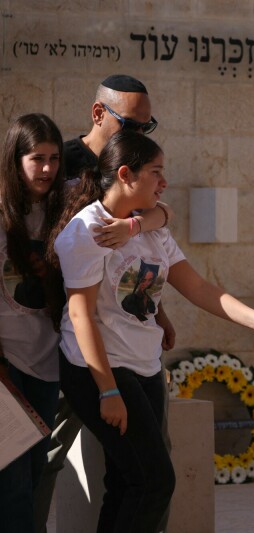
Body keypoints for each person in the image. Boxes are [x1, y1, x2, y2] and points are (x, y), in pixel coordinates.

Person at [50, 130, 254, 533]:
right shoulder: (87, 232)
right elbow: (81, 316)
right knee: (155, 481)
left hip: (146, 366)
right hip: (99, 369)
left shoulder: (151, 227)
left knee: (127, 483)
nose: (164, 182)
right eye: (156, 172)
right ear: (125, 174)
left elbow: (200, 289)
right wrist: (107, 390)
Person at [34, 74, 175, 533]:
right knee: (46, 456)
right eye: (130, 125)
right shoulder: (63, 163)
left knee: (136, 473)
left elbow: (151, 227)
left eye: (146, 127)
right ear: (99, 114)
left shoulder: (133, 171)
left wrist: (157, 307)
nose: (139, 136)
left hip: (122, 341)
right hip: (60, 338)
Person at [0, 113, 65, 533]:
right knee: (12, 484)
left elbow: (149, 204)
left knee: (35, 474)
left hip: (49, 365)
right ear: (15, 160)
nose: (46, 169)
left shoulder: (65, 207)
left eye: (54, 158)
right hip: (6, 370)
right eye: (36, 158)